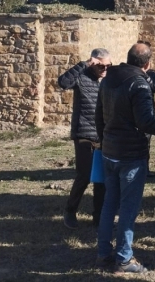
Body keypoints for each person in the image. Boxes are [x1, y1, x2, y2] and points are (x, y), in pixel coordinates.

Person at [95, 42, 155, 274]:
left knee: (109, 203)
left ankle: (103, 252)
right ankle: (124, 259)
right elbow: (147, 122)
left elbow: (99, 116)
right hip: (130, 156)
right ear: (148, 64)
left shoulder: (108, 78)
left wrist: (104, 141)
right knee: (128, 207)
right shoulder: (139, 84)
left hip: (110, 151)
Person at [58, 48, 111, 229]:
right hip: (84, 134)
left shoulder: (108, 78)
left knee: (101, 178)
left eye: (108, 65)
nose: (105, 69)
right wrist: (84, 64)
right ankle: (70, 211)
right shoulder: (82, 76)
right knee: (85, 175)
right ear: (94, 63)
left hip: (103, 135)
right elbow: (63, 82)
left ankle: (99, 217)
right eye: (101, 66)